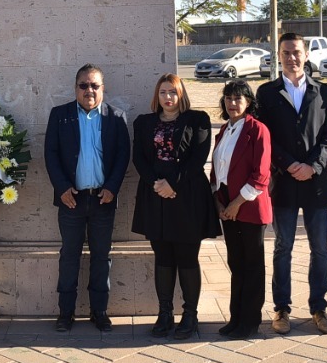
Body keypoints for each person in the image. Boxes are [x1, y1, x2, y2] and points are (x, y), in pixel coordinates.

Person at [255, 32, 327, 335]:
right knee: (283, 247)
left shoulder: (323, 91)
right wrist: (289, 164)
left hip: (315, 182)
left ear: (306, 54)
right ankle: (282, 309)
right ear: (278, 56)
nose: (292, 57)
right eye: (286, 53)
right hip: (284, 181)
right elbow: (265, 137)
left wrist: (312, 166)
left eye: (296, 52)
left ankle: (319, 307)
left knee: (320, 249)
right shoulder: (266, 92)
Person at [44, 63, 131, 333]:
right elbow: (51, 154)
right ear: (75, 88)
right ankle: (66, 313)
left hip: (103, 199)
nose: (89, 90)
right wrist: (62, 188)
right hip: (71, 199)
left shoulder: (116, 117)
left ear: (103, 88)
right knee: (69, 256)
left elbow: (123, 155)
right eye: (84, 85)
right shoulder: (60, 116)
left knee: (101, 256)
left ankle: (99, 311)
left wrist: (112, 187)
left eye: (94, 85)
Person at [131, 74, 218, 340]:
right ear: (156, 96)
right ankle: (165, 313)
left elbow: (198, 158)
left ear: (181, 94)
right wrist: (157, 184)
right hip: (155, 196)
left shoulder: (198, 119)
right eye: (163, 92)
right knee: (163, 257)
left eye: (173, 92)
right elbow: (139, 158)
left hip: (188, 196)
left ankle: (190, 315)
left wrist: (173, 184)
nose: (168, 97)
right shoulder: (144, 122)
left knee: (187, 257)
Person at [210, 78, 272, 340]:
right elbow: (217, 170)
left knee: (252, 265)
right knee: (236, 264)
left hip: (250, 207)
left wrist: (236, 204)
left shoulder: (258, 130)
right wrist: (219, 202)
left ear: (248, 101)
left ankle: (250, 321)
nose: (232, 103)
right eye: (228, 98)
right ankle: (235, 317)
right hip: (227, 208)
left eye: (238, 98)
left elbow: (261, 174)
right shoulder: (224, 130)